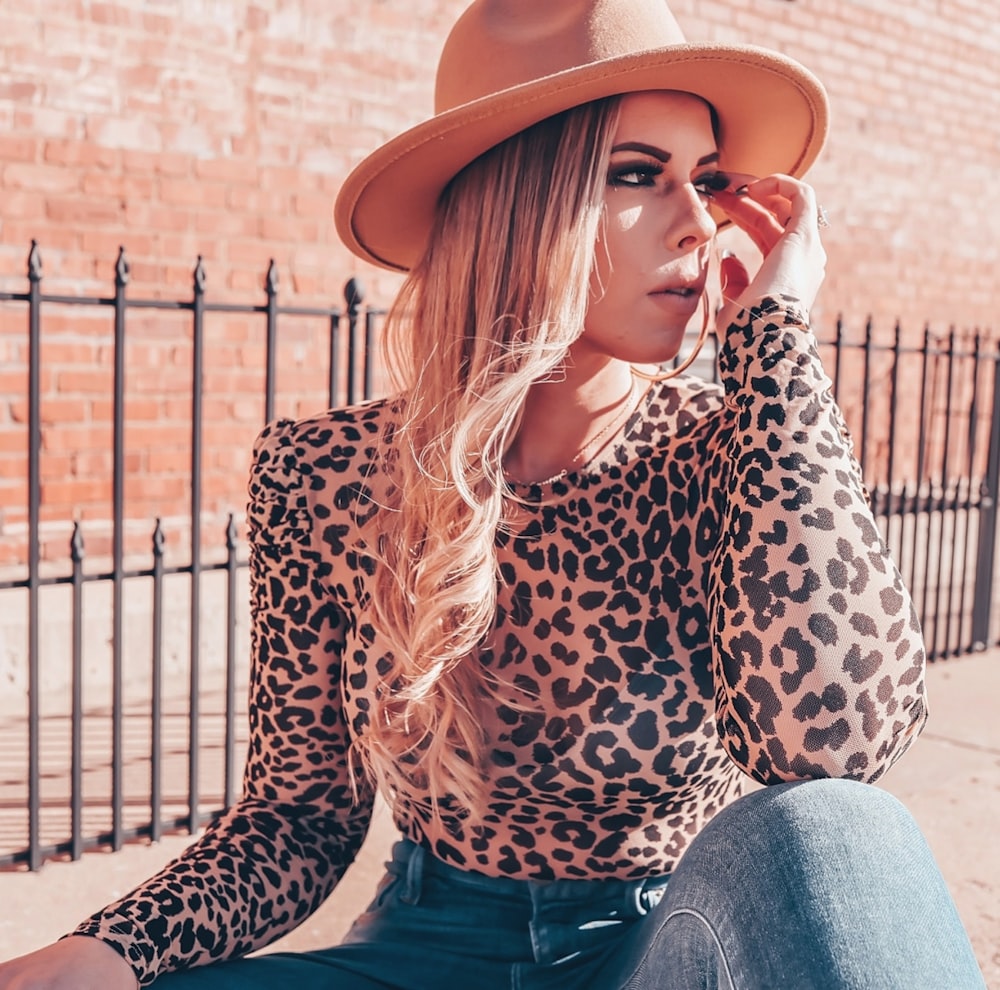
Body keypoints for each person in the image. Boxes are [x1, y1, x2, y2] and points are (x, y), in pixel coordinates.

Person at [0, 1, 987, 988]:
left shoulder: (737, 447)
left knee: (837, 832)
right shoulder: (322, 476)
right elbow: (296, 819)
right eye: (639, 176)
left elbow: (832, 747)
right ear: (520, 201)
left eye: (707, 181)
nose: (697, 225)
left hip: (662, 946)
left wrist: (773, 338)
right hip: (424, 949)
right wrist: (111, 945)